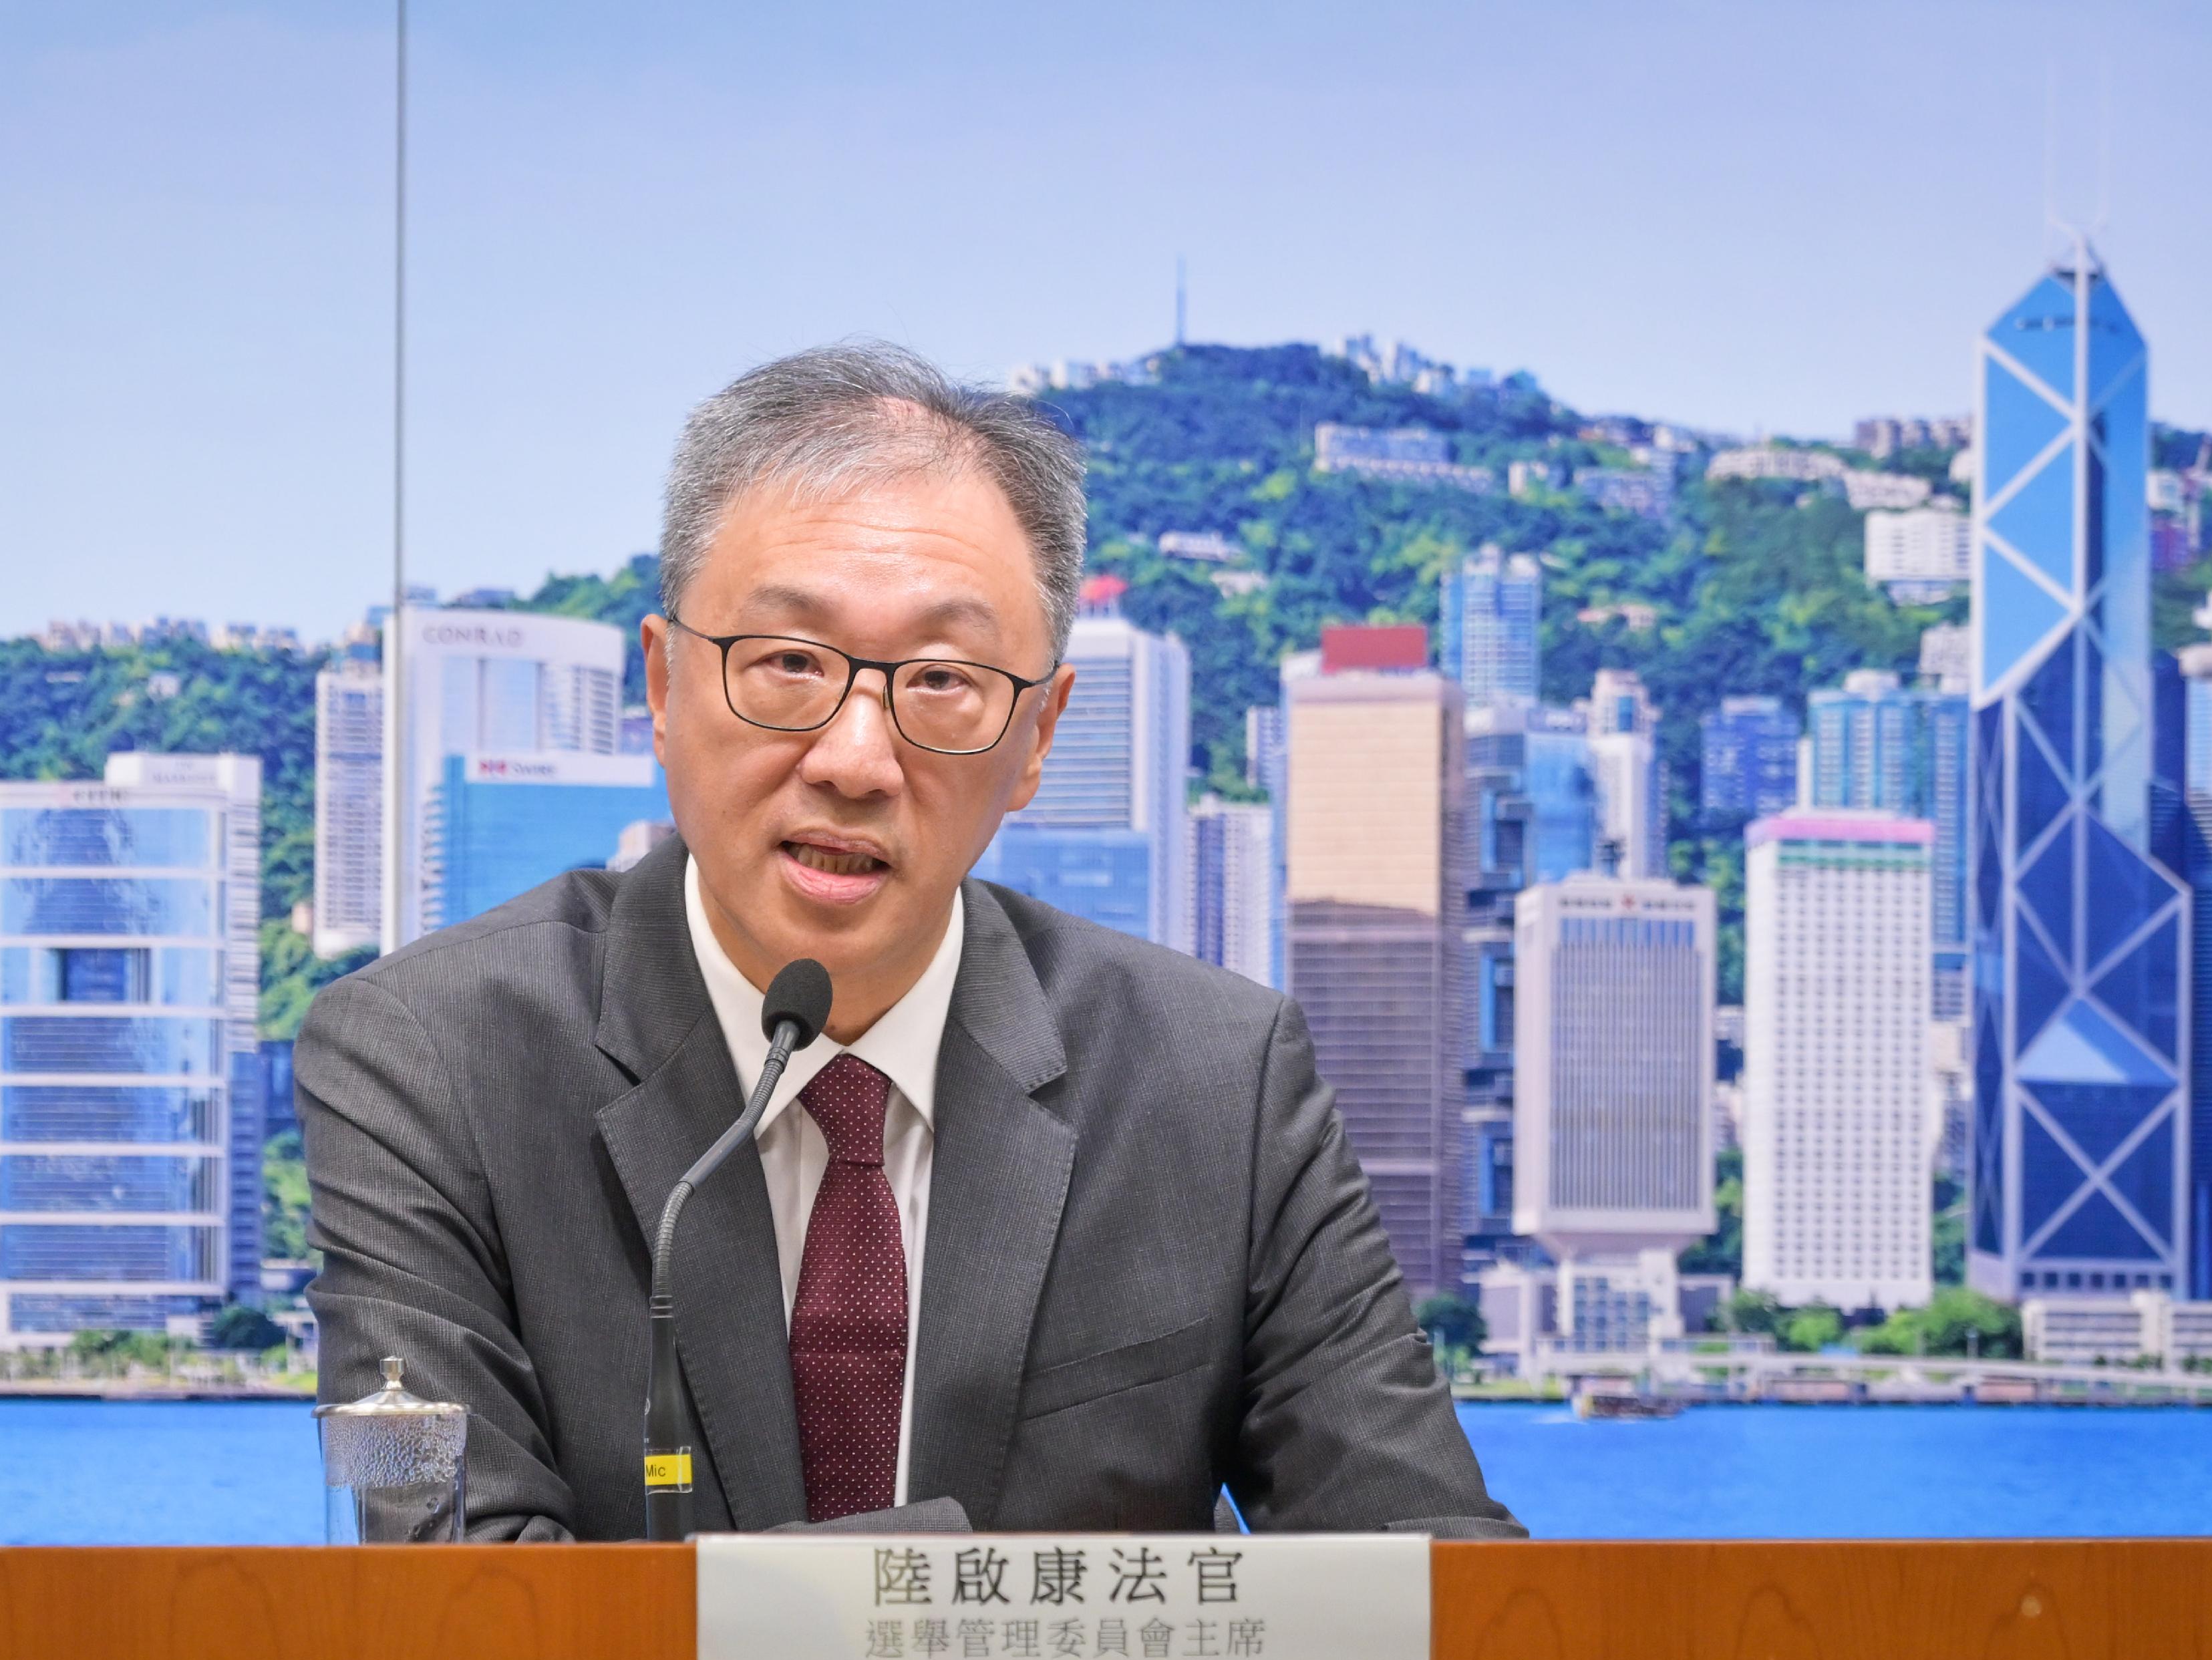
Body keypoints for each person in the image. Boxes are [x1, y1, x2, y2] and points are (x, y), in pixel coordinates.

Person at [300, 341, 1521, 1541]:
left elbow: (1432, 1583)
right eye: (786, 663)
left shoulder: (1216, 1082)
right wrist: (950, 1603)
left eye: (942, 682)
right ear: (663, 687)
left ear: (1039, 736)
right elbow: (459, 1616)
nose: (855, 759)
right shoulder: (428, 1061)